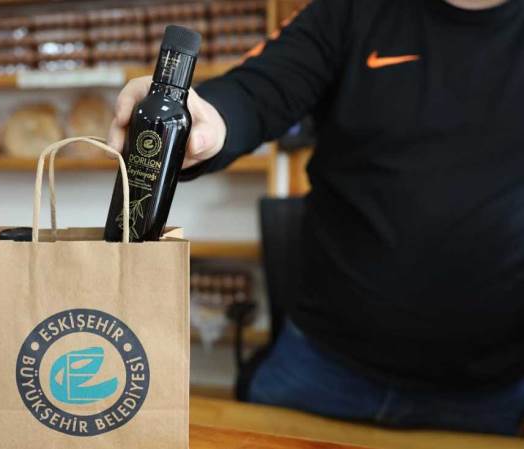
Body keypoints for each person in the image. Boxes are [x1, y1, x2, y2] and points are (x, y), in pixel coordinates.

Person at [108, 0, 524, 436]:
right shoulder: (351, 10)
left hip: (487, 391)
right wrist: (197, 120)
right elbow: (255, 92)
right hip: (321, 365)